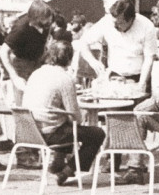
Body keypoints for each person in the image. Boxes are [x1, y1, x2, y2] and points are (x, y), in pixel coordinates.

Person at [22, 40, 105, 186]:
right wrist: (83, 113)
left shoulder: (36, 73)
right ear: (69, 58)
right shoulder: (65, 79)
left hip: (30, 129)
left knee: (64, 123)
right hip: (49, 133)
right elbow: (76, 118)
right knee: (97, 133)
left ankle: (58, 163)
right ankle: (66, 172)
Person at [78, 0, 157, 94]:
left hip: (139, 78)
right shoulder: (106, 22)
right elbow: (83, 42)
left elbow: (149, 58)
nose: (115, 27)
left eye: (119, 24)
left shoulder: (146, 26)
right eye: (113, 23)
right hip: (114, 78)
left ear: (131, 19)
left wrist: (142, 84)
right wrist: (93, 62)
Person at [0, 0, 54, 92]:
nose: (49, 22)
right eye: (45, 20)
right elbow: (3, 51)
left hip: (38, 62)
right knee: (23, 98)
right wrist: (15, 77)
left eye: (49, 19)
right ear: (35, 18)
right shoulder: (21, 28)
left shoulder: (46, 24)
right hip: (21, 64)